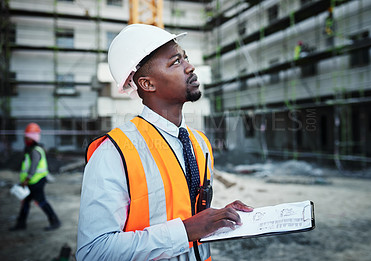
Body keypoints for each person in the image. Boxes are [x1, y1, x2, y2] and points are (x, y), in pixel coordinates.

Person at [76, 24, 253, 261]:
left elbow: (187, 212)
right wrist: (187, 230)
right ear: (147, 84)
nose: (190, 67)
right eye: (176, 62)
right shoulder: (114, 152)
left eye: (186, 58)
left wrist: (217, 217)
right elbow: (94, 251)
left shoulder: (199, 143)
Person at [10, 122, 61, 231]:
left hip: (36, 182)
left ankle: (55, 221)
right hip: (31, 182)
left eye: (27, 137)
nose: (25, 140)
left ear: (32, 138)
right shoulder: (30, 150)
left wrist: (27, 179)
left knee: (41, 202)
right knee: (25, 203)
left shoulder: (35, 151)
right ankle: (21, 223)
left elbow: (33, 167)